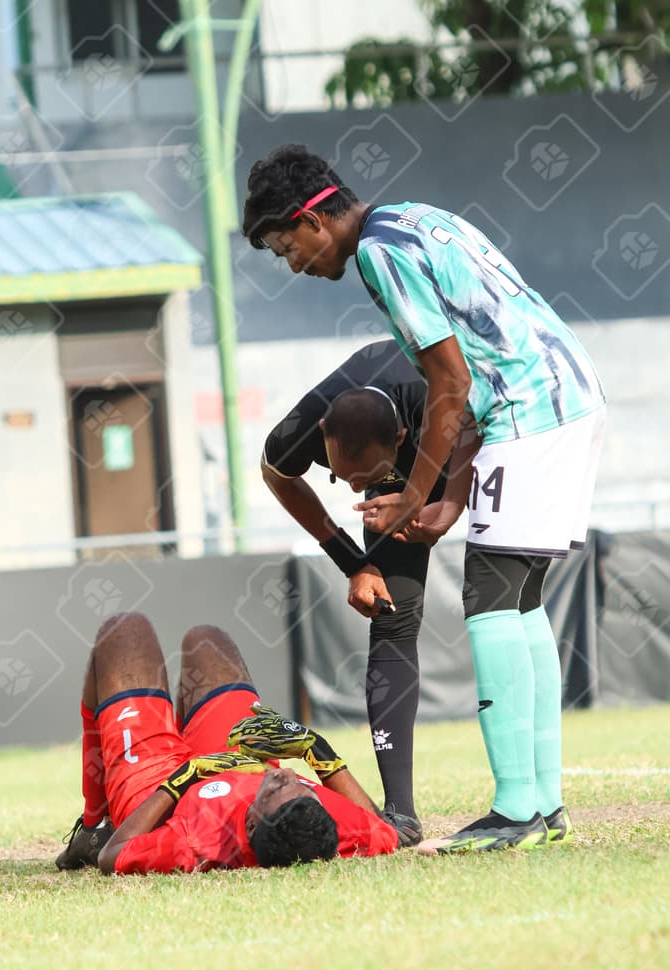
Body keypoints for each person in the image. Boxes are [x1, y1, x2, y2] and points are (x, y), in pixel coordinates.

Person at [242, 144, 606, 854]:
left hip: (530, 413)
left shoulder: (379, 255)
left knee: (491, 599)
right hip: (568, 393)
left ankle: (516, 810)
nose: (294, 264)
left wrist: (412, 498)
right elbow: (471, 368)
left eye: (288, 248)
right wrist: (446, 500)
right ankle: (544, 804)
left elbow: (450, 384)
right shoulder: (412, 217)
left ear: (314, 220)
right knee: (521, 601)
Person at [263, 338, 452, 839]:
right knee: (392, 616)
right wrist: (354, 562)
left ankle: (526, 802)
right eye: (342, 477)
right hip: (398, 475)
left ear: (401, 438)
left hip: (464, 446)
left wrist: (445, 509)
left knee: (496, 592)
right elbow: (276, 473)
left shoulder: (436, 397)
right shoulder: (306, 425)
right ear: (323, 433)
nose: (350, 488)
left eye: (363, 477)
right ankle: (402, 813)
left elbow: (489, 442)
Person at [55, 611, 412, 875]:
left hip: (159, 792)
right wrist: (314, 749)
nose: (287, 776)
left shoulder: (196, 844)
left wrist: (186, 776)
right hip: (239, 759)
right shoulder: (327, 828)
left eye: (275, 789)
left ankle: (92, 825)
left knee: (124, 631)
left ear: (253, 824)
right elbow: (384, 833)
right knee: (207, 641)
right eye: (304, 788)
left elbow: (113, 857)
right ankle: (185, 730)